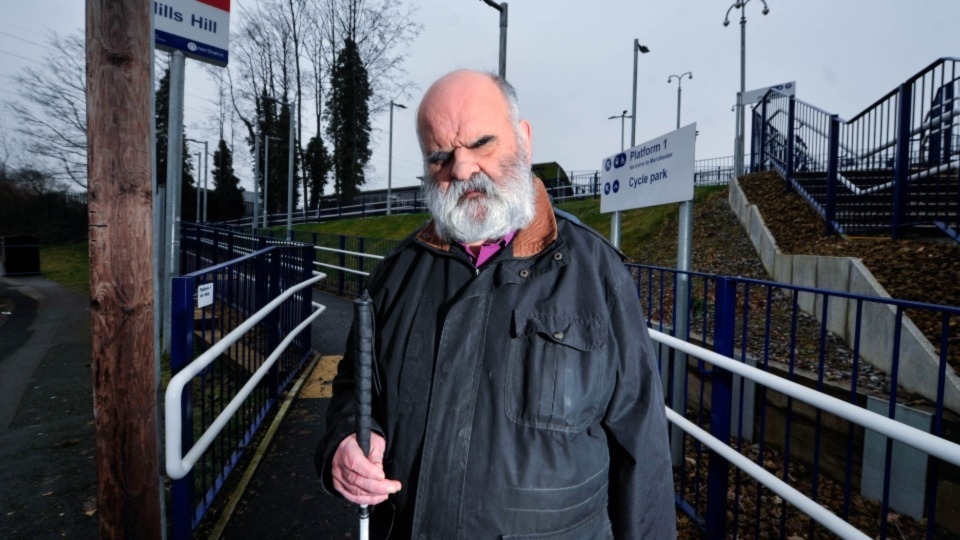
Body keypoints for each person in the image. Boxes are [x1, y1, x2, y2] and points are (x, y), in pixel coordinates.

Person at [316, 69, 676, 539]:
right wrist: (343, 440)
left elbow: (642, 448)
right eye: (440, 156)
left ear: (523, 139)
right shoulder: (395, 276)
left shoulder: (597, 273)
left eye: (482, 143)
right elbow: (355, 386)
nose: (462, 170)